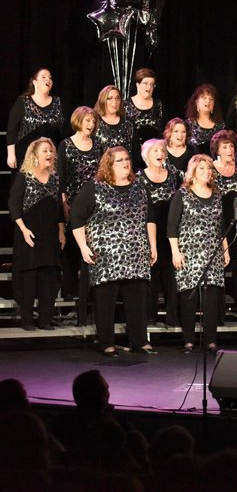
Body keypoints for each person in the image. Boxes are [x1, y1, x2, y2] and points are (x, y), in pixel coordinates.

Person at [71, 147, 158, 357]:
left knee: (137, 301)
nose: (126, 163)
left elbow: (150, 218)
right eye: (120, 160)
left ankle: (139, 341)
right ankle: (106, 342)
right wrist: (83, 246)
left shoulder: (140, 187)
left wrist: (152, 245)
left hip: (136, 254)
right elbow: (77, 217)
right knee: (105, 302)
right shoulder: (95, 188)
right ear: (109, 165)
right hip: (106, 257)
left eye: (127, 159)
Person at [168, 155, 229, 354]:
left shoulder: (217, 194)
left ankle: (211, 340)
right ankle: (188, 340)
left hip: (212, 253)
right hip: (189, 253)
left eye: (209, 168)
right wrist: (175, 252)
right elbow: (172, 226)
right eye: (202, 168)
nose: (207, 172)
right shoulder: (183, 194)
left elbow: (221, 225)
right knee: (189, 298)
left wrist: (225, 247)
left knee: (211, 299)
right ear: (193, 172)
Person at [8, 137, 65, 330]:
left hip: (50, 233)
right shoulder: (24, 176)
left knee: (48, 276)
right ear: (35, 155)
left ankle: (45, 320)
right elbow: (14, 206)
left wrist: (61, 231)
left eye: (51, 150)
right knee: (29, 277)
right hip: (29, 232)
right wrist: (24, 230)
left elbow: (58, 208)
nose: (49, 154)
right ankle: (27, 319)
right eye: (45, 151)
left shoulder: (56, 177)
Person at [57, 106, 101, 323]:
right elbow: (61, 177)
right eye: (87, 120)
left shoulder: (99, 146)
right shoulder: (65, 145)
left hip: (94, 206)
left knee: (91, 250)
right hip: (72, 204)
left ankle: (89, 301)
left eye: (93, 121)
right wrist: (64, 202)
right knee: (73, 250)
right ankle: (69, 298)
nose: (91, 124)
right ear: (78, 121)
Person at [137, 138, 182, 327]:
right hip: (147, 230)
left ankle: (173, 318)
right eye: (155, 150)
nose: (160, 154)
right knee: (151, 276)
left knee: (172, 277)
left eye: (162, 150)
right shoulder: (139, 177)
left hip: (169, 231)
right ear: (147, 155)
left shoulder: (174, 175)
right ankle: (148, 317)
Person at [211, 130, 237, 320]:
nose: (230, 149)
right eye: (225, 147)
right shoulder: (211, 169)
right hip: (218, 224)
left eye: (231, 146)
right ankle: (218, 314)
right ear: (217, 150)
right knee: (219, 267)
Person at [6, 68, 64, 169]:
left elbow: (65, 129)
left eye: (50, 78)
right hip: (26, 156)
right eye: (44, 77)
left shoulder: (58, 102)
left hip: (50, 157)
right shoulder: (23, 102)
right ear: (34, 82)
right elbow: (12, 129)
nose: (48, 80)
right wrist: (11, 155)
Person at [125, 68, 165, 167]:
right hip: (133, 155)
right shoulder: (126, 105)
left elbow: (164, 131)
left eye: (152, 84)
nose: (149, 87)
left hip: (155, 155)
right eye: (146, 83)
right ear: (137, 85)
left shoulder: (158, 105)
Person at [93, 85, 134, 155]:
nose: (114, 102)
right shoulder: (95, 122)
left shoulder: (128, 123)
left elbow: (135, 151)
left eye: (117, 98)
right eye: (109, 98)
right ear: (103, 100)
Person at [186, 84, 225, 156]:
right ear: (196, 102)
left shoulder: (221, 126)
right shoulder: (188, 125)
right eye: (204, 98)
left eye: (211, 99)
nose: (208, 101)